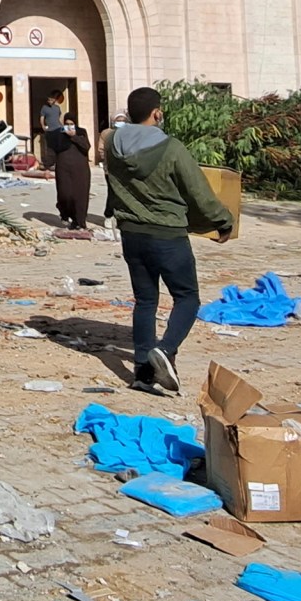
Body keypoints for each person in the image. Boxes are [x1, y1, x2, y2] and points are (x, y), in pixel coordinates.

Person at [104, 86, 233, 396]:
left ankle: (142, 373)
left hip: (131, 234)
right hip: (167, 235)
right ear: (157, 113)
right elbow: (199, 192)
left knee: (146, 301)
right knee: (187, 297)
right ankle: (166, 349)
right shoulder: (172, 148)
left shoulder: (112, 145)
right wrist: (223, 221)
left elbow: (112, 184)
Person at [48, 112, 92, 232]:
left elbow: (86, 147)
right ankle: (66, 214)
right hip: (63, 169)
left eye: (71, 124)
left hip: (80, 170)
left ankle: (80, 222)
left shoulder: (81, 132)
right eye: (66, 124)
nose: (69, 126)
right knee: (65, 194)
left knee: (80, 196)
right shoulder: (58, 134)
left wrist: (74, 136)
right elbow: (53, 148)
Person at [38, 90, 65, 167]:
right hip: (50, 130)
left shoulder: (57, 108)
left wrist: (63, 126)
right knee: (50, 147)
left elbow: (60, 118)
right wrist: (43, 125)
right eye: (49, 100)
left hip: (58, 129)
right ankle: (49, 163)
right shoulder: (44, 108)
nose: (50, 101)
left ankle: (58, 162)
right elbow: (42, 117)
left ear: (54, 100)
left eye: (51, 100)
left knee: (58, 146)